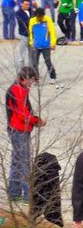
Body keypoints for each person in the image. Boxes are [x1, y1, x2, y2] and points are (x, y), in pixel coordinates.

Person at [5, 66, 45, 200]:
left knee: (16, 161)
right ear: (26, 78)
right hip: (19, 130)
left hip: (16, 129)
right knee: (24, 162)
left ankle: (14, 193)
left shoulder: (18, 89)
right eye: (32, 80)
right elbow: (23, 114)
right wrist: (37, 120)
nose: (32, 84)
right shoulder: (18, 90)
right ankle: (28, 195)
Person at [28, 7, 57, 79]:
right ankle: (36, 78)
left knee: (48, 62)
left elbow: (52, 32)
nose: (40, 18)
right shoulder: (32, 21)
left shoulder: (47, 20)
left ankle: (53, 77)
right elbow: (31, 33)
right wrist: (31, 42)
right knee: (34, 63)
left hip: (46, 46)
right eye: (38, 17)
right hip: (36, 46)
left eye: (41, 16)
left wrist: (53, 43)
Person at [14, 0, 33, 69]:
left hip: (31, 35)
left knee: (32, 55)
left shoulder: (31, 10)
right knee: (21, 55)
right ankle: (20, 73)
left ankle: (32, 72)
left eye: (28, 4)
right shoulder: (18, 13)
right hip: (23, 35)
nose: (27, 6)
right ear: (21, 4)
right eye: (25, 4)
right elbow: (25, 22)